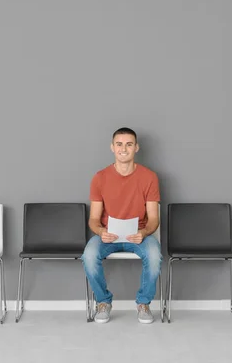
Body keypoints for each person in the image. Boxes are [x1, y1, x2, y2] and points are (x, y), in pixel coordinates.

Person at [81, 127, 162, 324]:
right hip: (109, 236)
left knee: (154, 255)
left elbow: (153, 218)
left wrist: (143, 232)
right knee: (89, 255)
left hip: (139, 235)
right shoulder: (100, 178)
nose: (123, 149)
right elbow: (93, 218)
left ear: (136, 148)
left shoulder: (149, 177)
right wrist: (101, 231)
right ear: (112, 147)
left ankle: (143, 303)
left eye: (128, 144)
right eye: (119, 144)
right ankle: (103, 302)